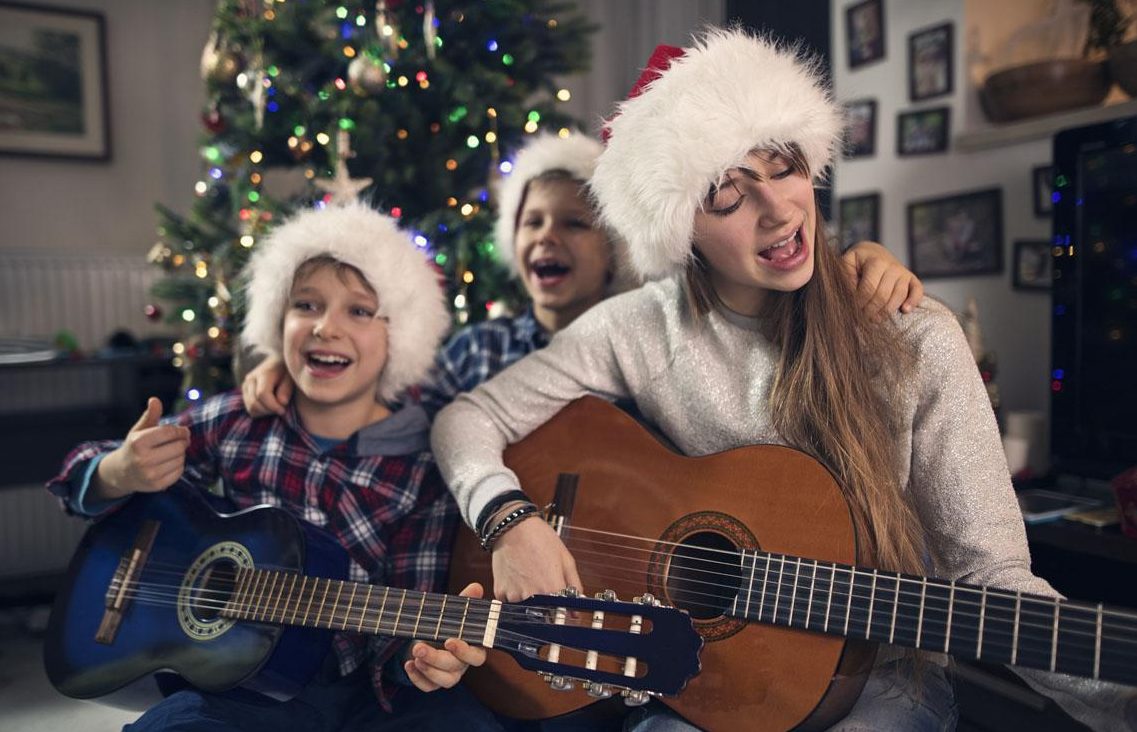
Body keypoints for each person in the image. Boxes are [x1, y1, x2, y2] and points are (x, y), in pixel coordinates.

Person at [429, 29, 1137, 731]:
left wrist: (1119, 703)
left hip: (880, 686)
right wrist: (507, 523)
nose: (777, 210)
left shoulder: (912, 335)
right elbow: (465, 418)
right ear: (680, 230)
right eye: (727, 197)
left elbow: (993, 580)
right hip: (714, 677)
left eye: (783, 167)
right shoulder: (639, 326)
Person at [46, 201, 504, 732]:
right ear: (277, 321)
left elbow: (407, 620)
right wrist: (115, 473)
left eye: (358, 311)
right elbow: (77, 469)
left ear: (397, 336)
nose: (325, 328)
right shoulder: (235, 421)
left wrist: (420, 659)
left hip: (364, 692)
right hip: (235, 691)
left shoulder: (424, 460)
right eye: (306, 305)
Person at [242, 133, 924, 421]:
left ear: (615, 249)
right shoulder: (477, 350)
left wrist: (862, 262)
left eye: (574, 223)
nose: (547, 236)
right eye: (532, 223)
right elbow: (386, 406)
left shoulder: (654, 334)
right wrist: (292, 365)